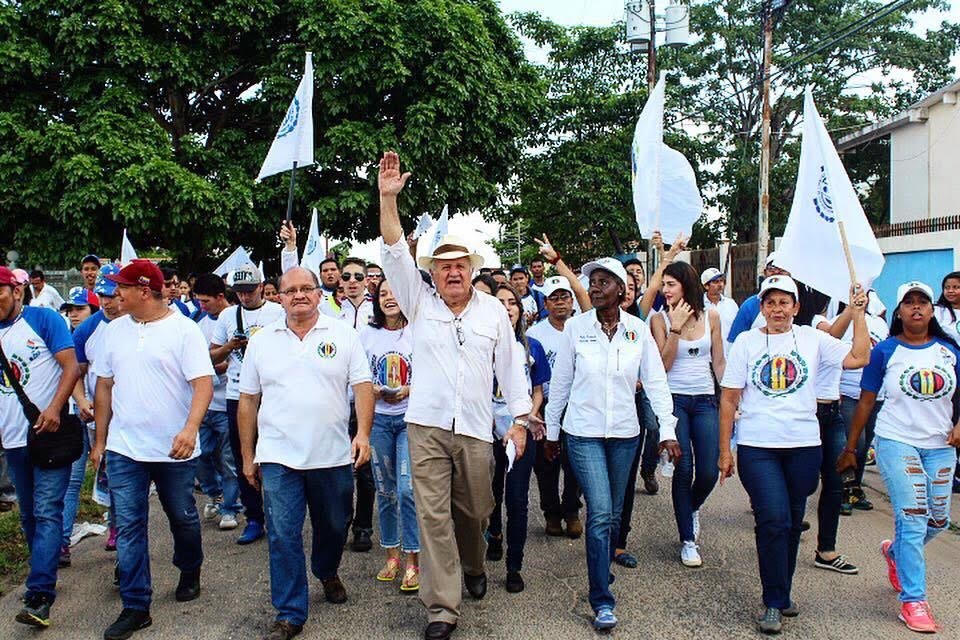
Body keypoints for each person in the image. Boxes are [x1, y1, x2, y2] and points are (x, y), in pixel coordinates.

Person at [378, 151, 533, 640]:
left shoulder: (492, 313)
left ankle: (474, 563)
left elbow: (510, 369)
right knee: (433, 514)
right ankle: (442, 607)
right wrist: (387, 199)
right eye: (442, 266)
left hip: (474, 429)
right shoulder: (418, 302)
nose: (451, 272)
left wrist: (521, 419)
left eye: (458, 265)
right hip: (424, 426)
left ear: (471, 268)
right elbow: (396, 249)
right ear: (434, 273)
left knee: (475, 509)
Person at [719, 275, 869, 635]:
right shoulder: (746, 342)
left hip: (803, 445)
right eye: (770, 303)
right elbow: (728, 398)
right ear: (762, 307)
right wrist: (725, 449)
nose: (777, 309)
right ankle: (773, 601)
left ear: (796, 307)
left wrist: (858, 313)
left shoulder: (813, 339)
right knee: (771, 518)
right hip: (758, 445)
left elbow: (859, 356)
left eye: (784, 302)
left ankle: (781, 592)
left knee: (789, 522)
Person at [238, 266, 374, 640]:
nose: (298, 295)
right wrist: (248, 456)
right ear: (277, 296)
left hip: (331, 455)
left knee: (333, 525)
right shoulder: (262, 341)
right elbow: (248, 401)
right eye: (290, 290)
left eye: (306, 289)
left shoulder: (343, 335)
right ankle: (290, 611)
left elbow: (362, 386)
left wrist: (363, 433)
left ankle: (327, 570)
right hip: (279, 456)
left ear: (318, 294)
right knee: (283, 534)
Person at [544, 257, 678, 632]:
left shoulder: (637, 331)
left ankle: (601, 569)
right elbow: (561, 384)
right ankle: (601, 598)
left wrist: (667, 429)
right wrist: (553, 432)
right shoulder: (575, 329)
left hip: (624, 434)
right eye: (592, 282)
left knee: (614, 514)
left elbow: (655, 383)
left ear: (621, 289)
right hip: (583, 433)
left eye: (604, 281)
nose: (596, 287)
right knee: (600, 512)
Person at [89, 259, 214, 640]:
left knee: (183, 517)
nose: (113, 295)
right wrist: (101, 441)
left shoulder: (183, 331)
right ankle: (136, 606)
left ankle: (189, 566)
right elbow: (105, 387)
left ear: (144, 291)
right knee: (128, 525)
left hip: (174, 449)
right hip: (126, 449)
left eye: (121, 288)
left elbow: (203, 384)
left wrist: (190, 429)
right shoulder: (113, 332)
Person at [837, 280, 959, 635]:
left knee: (938, 521)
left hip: (939, 445)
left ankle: (896, 553)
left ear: (931, 310)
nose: (917, 308)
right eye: (909, 302)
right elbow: (866, 401)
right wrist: (851, 448)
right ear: (899, 311)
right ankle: (913, 600)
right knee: (914, 518)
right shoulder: (885, 352)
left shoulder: (949, 352)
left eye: (923, 302)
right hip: (896, 441)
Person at [0, 266, 81, 628]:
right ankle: (42, 572)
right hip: (12, 440)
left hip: (48, 435)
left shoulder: (44, 319)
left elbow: (71, 368)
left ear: (17, 291)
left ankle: (39, 595)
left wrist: (53, 409)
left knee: (47, 511)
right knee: (29, 514)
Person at [650, 262, 725, 568]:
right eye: (663, 285)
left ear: (687, 286)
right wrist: (676, 329)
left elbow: (719, 361)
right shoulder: (659, 319)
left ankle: (691, 507)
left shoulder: (713, 316)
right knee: (684, 468)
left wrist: (732, 396)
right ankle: (688, 540)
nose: (665, 290)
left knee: (709, 470)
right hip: (674, 400)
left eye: (671, 285)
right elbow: (662, 366)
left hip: (706, 399)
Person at [209, 263, 285, 545]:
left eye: (250, 291)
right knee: (244, 455)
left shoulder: (277, 312)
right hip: (237, 392)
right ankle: (254, 517)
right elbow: (212, 358)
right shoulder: (229, 315)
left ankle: (278, 514)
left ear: (261, 286)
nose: (245, 297)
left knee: (275, 455)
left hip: (272, 394)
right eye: (239, 292)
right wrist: (230, 346)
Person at [485, 283, 550, 594]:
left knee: (517, 499)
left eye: (513, 302)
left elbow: (537, 391)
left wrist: (526, 418)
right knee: (490, 495)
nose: (507, 308)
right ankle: (494, 534)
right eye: (500, 302)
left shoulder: (532, 347)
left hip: (521, 432)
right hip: (486, 433)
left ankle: (514, 564)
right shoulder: (479, 345)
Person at [360, 279, 420, 592]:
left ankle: (414, 560)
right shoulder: (367, 333)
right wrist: (373, 390)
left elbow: (432, 372)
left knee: (409, 490)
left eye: (395, 292)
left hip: (410, 419)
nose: (389, 298)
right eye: (383, 293)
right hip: (379, 420)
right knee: (385, 489)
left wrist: (409, 389)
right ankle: (392, 555)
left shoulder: (418, 329)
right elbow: (357, 376)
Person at [71, 265, 126, 553]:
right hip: (100, 418)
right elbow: (74, 373)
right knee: (110, 474)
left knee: (126, 478)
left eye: (113, 295)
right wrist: (82, 400)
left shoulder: (136, 324)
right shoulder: (87, 330)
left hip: (131, 417)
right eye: (102, 295)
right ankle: (115, 523)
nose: (107, 302)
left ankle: (123, 526)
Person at [526, 276, 582, 539]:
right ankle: (551, 513)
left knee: (575, 462)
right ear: (545, 303)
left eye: (565, 297)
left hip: (578, 404)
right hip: (546, 404)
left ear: (572, 301)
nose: (560, 302)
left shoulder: (582, 329)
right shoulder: (534, 334)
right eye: (554, 298)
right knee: (546, 463)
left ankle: (571, 511)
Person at [831, 291, 888, 513]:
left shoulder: (879, 324)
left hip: (875, 393)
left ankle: (855, 488)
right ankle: (843, 489)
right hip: (848, 391)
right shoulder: (840, 321)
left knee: (866, 446)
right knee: (855, 442)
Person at [193, 274, 241, 531]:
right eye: (198, 301)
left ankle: (231, 507)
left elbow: (231, 361)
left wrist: (221, 363)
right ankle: (215, 494)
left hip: (228, 403)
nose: (202, 305)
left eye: (205, 301)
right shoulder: (197, 323)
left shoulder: (236, 317)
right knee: (200, 456)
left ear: (220, 297)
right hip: (204, 404)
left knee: (228, 459)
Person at [56, 285, 100, 568]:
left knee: (113, 478)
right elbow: (73, 375)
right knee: (71, 480)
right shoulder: (72, 337)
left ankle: (118, 532)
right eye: (70, 309)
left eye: (79, 308)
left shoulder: (106, 329)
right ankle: (61, 542)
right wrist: (81, 400)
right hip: (78, 417)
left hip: (108, 419)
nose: (73, 314)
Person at [726, 252, 790, 345]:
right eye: (772, 268)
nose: (776, 273)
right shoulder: (750, 306)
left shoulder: (805, 304)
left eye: (781, 269)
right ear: (764, 273)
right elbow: (734, 343)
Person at [278, 221, 341, 315]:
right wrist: (290, 245)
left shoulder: (352, 293)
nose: (329, 273)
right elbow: (292, 275)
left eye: (333, 269)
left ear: (340, 272)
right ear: (319, 274)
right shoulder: (313, 295)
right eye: (325, 270)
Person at [701, 267, 739, 352]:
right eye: (715, 282)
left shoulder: (731, 304)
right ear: (706, 286)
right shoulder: (700, 305)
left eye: (721, 281)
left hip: (730, 353)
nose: (720, 285)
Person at [338, 258, 374, 329]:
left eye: (358, 276)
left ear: (367, 281)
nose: (352, 281)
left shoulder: (377, 308)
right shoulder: (328, 309)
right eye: (346, 276)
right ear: (341, 281)